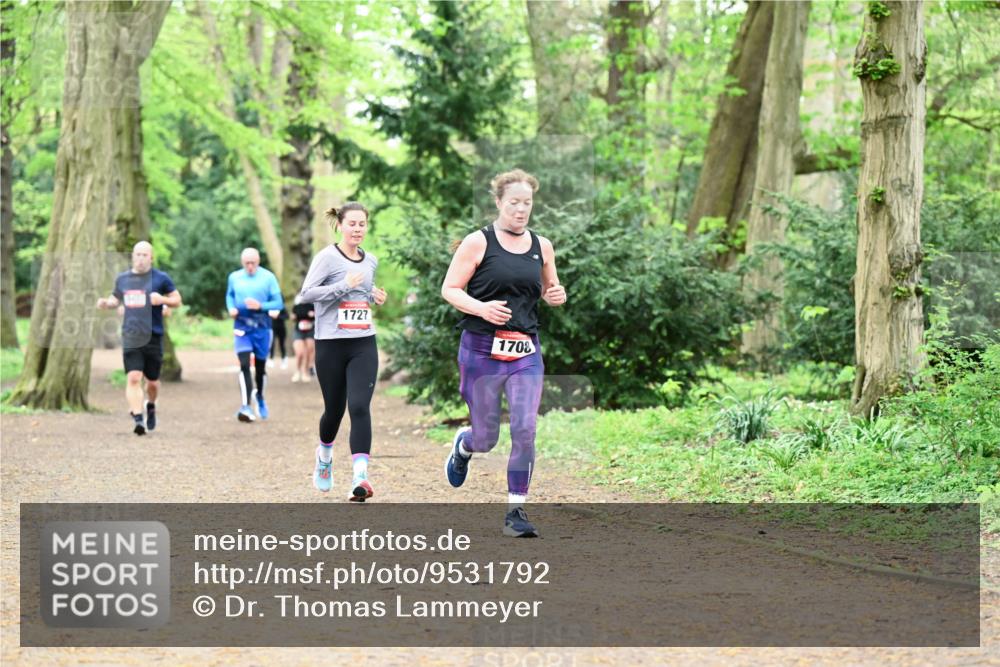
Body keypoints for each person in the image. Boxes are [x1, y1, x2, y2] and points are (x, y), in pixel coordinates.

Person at [440, 169, 566, 537]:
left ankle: (516, 511)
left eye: (527, 203)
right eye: (514, 203)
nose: (521, 210)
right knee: (487, 437)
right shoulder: (478, 243)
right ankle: (465, 446)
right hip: (481, 349)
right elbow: (450, 289)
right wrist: (481, 308)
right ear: (498, 203)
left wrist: (555, 295)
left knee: (525, 428)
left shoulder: (542, 246)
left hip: (525, 349)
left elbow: (549, 288)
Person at [300, 202, 387, 501]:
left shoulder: (371, 260)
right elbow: (306, 294)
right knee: (334, 411)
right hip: (331, 343)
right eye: (352, 224)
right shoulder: (326, 258)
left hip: (363, 341)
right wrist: (341, 286)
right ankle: (324, 456)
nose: (358, 229)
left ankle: (359, 479)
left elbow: (361, 293)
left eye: (362, 224)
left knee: (360, 406)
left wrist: (374, 296)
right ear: (339, 224)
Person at [96, 241, 182, 435]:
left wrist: (163, 300)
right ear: (133, 256)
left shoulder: (161, 278)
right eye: (138, 254)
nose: (141, 258)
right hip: (131, 335)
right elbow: (115, 299)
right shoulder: (123, 279)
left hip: (153, 335)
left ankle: (151, 405)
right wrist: (106, 303)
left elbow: (177, 299)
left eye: (145, 255)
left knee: (152, 381)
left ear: (151, 257)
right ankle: (138, 418)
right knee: (134, 377)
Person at [226, 247, 283, 422]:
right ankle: (246, 406)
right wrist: (231, 308)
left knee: (260, 368)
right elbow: (230, 295)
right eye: (246, 263)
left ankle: (260, 397)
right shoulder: (234, 277)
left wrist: (261, 306)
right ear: (242, 262)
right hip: (242, 326)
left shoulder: (268, 277)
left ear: (258, 261)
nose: (250, 266)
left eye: (253, 263)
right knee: (243, 365)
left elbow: (279, 303)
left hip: (262, 327)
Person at [290, 296, 316, 383]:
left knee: (309, 351)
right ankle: (297, 370)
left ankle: (305, 371)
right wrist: (293, 317)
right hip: (299, 331)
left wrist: (313, 315)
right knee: (299, 352)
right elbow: (292, 317)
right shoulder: (296, 307)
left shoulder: (313, 305)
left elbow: (317, 316)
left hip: (310, 330)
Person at [268, 306, 289, 370]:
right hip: (272, 328)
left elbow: (287, 316)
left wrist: (278, 317)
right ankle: (271, 359)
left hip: (281, 328)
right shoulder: (270, 307)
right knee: (272, 343)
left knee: (281, 344)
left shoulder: (282, 308)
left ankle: (284, 359)